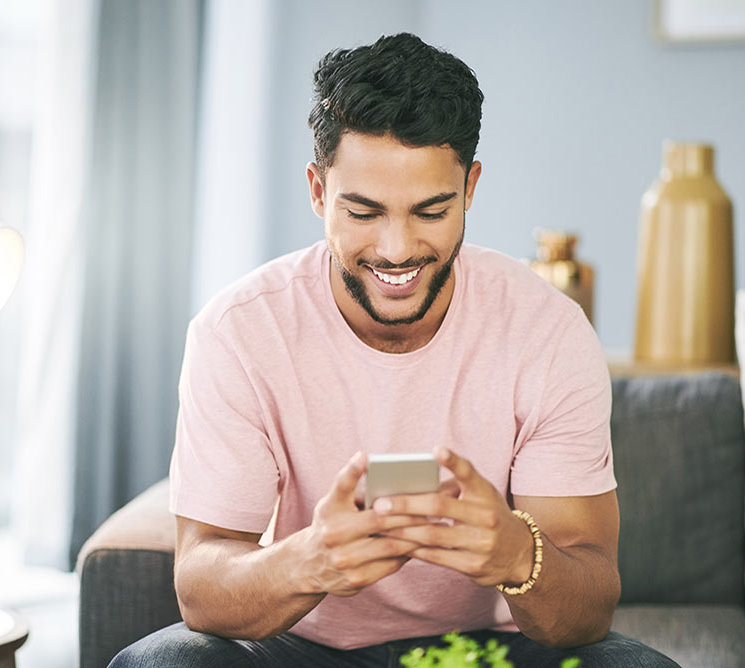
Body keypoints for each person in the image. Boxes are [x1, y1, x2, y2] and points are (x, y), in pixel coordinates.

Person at [110, 33, 678, 667]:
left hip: (493, 652)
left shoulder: (548, 331)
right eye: (364, 212)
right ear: (319, 191)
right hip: (300, 648)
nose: (397, 249)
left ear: (470, 188)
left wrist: (518, 553)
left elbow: (590, 603)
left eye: (431, 211)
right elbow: (203, 589)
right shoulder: (239, 331)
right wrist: (311, 558)